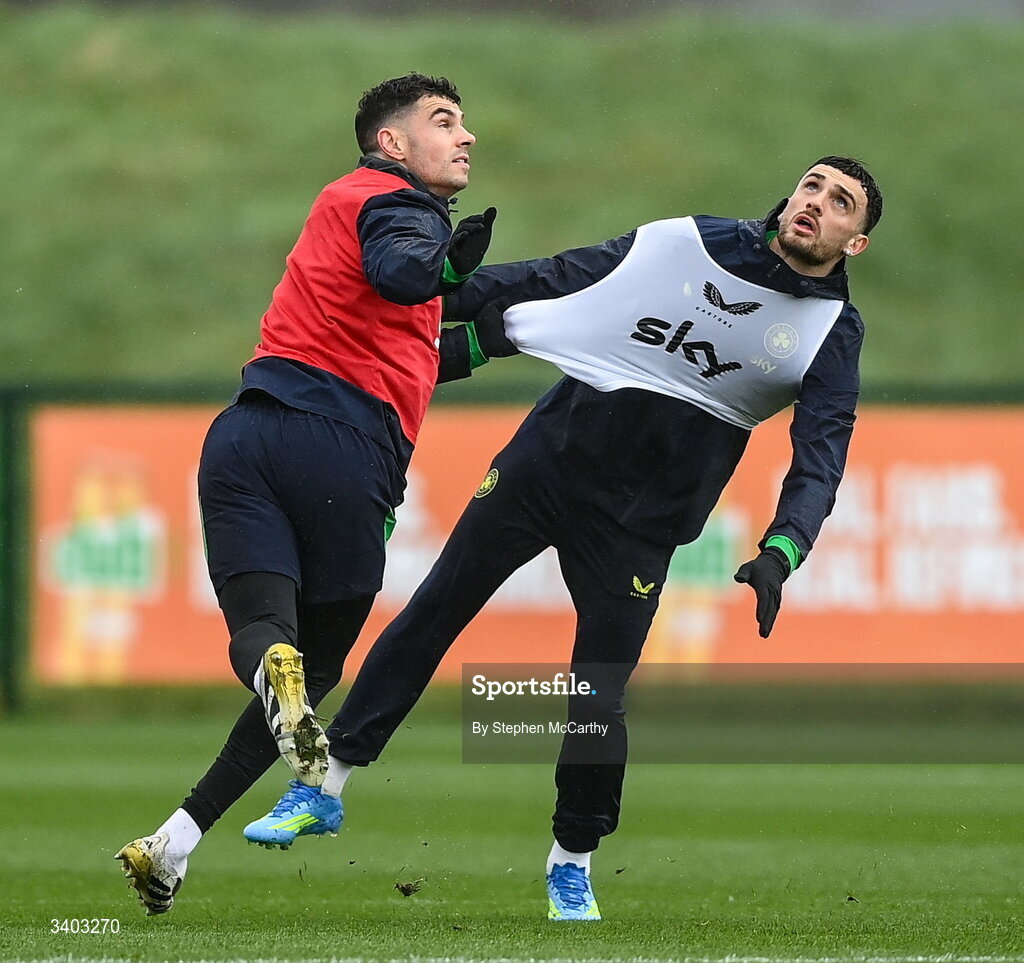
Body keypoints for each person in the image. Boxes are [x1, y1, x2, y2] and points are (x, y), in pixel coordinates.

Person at [245, 157, 883, 920]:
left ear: (857, 242)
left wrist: (785, 547)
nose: (816, 202)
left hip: (642, 523)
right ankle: (324, 786)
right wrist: (436, 290)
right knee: (434, 608)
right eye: (812, 184)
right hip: (545, 464)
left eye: (840, 201)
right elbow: (563, 276)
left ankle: (571, 861)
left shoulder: (829, 332)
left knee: (595, 698)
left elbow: (822, 454)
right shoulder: (691, 243)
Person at [115, 73, 510, 916]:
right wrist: (438, 260)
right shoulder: (391, 201)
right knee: (326, 661)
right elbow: (403, 267)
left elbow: (424, 340)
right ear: (392, 143)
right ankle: (291, 684)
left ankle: (170, 843)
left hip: (246, 436)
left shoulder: (338, 212)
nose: (466, 135)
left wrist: (516, 324)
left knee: (265, 637)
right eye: (445, 122)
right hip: (340, 454)